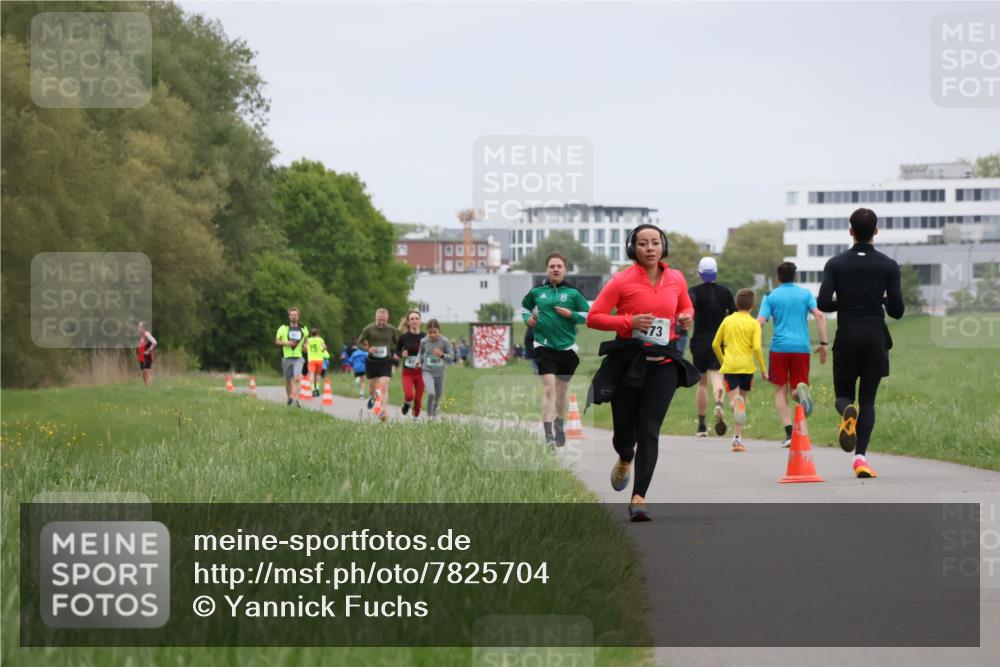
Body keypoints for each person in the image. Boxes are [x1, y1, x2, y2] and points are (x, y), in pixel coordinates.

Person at [586, 225, 697, 522]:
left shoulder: (676, 278)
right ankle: (625, 456)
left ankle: (639, 498)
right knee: (625, 434)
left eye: (655, 243)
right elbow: (594, 318)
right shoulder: (621, 281)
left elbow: (686, 307)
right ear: (633, 248)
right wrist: (628, 321)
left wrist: (686, 318)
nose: (650, 248)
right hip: (628, 363)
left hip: (664, 363)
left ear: (664, 247)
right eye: (643, 243)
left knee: (649, 429)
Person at [817, 208, 904, 479]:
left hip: (848, 336)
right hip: (875, 337)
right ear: (876, 231)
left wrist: (846, 301)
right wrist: (882, 299)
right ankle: (861, 459)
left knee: (844, 396)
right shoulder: (889, 265)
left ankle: (846, 411)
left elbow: (822, 303)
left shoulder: (836, 264)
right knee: (868, 400)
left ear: (851, 231)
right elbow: (897, 311)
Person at [521, 253, 591, 446]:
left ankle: (559, 423)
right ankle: (548, 435)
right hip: (544, 345)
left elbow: (588, 315)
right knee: (549, 388)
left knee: (562, 390)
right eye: (552, 266)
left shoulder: (573, 293)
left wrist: (572, 314)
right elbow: (525, 308)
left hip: (567, 348)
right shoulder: (537, 292)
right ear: (547, 269)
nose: (555, 269)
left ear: (564, 269)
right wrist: (528, 319)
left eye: (559, 266)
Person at [757, 261, 829, 447]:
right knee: (797, 386)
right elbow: (819, 315)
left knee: (780, 389)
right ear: (794, 276)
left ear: (778, 277)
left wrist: (751, 342)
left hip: (779, 348)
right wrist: (823, 344)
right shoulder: (805, 294)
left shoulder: (770, 296)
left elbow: (760, 322)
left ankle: (790, 434)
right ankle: (801, 393)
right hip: (801, 348)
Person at [712, 289, 767, 452]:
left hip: (730, 367)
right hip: (747, 367)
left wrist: (723, 361)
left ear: (736, 304)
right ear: (753, 305)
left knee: (735, 403)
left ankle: (728, 405)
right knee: (742, 406)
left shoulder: (727, 321)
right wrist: (763, 369)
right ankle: (737, 440)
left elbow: (715, 344)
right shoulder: (754, 323)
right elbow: (757, 347)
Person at [688, 257, 736, 438]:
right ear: (716, 272)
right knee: (718, 376)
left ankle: (701, 426)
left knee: (701, 383)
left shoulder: (694, 292)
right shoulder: (725, 292)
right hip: (719, 341)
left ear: (700, 273)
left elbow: (688, 309)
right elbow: (733, 315)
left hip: (699, 341)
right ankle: (719, 402)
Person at [357, 308, 400, 421]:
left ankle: (383, 411)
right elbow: (359, 342)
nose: (382, 322)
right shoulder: (369, 329)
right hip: (372, 362)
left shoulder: (392, 330)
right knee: (372, 390)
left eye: (384, 320)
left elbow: (398, 343)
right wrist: (368, 349)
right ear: (376, 317)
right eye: (380, 320)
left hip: (386, 361)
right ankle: (373, 397)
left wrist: (395, 352)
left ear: (387, 318)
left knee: (384, 385)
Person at [418, 318, 454, 418]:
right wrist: (418, 361)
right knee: (431, 393)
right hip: (427, 371)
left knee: (437, 397)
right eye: (430, 332)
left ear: (439, 331)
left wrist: (442, 355)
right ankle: (429, 416)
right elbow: (420, 353)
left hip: (440, 373)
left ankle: (434, 416)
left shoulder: (444, 341)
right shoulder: (424, 341)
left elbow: (451, 358)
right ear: (427, 331)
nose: (433, 335)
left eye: (435, 332)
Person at [395, 310, 427, 419]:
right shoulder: (404, 337)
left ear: (420, 321)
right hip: (407, 373)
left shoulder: (425, 337)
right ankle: (406, 403)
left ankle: (415, 421)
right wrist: (401, 354)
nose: (414, 321)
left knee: (418, 400)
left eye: (416, 318)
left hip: (421, 373)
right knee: (409, 395)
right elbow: (396, 352)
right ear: (408, 322)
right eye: (412, 319)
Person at [275, 307, 309, 406]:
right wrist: (287, 343)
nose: (294, 317)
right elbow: (277, 341)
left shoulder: (304, 328)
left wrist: (306, 347)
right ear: (289, 316)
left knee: (297, 378)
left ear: (298, 316)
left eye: (295, 315)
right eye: (292, 315)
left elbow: (306, 341)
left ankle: (297, 400)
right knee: (288, 380)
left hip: (299, 358)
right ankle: (289, 397)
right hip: (286, 357)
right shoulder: (283, 328)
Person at [305, 327, 328, 396]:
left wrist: (308, 350)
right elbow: (324, 347)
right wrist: (322, 350)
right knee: (318, 374)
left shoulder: (308, 340)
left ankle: (312, 389)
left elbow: (305, 348)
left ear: (311, 334)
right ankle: (317, 388)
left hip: (311, 359)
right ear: (317, 333)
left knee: (311, 374)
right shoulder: (320, 339)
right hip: (319, 359)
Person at [136, 321, 158, 387]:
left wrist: (148, 351)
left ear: (143, 328)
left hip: (147, 357)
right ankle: (147, 387)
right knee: (143, 373)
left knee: (146, 372)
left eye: (139, 327)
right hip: (142, 358)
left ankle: (150, 388)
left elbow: (154, 342)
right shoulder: (142, 336)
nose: (138, 329)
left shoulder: (147, 334)